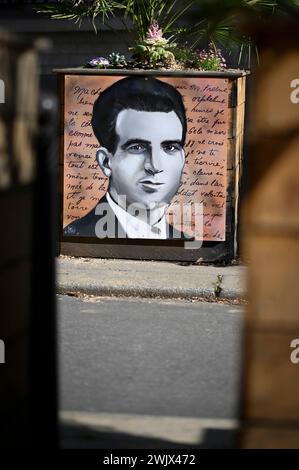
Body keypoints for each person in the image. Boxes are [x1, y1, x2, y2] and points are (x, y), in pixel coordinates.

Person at [64, 75, 191, 239]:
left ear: (182, 158)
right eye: (137, 147)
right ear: (105, 162)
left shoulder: (188, 243)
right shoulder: (78, 237)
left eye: (169, 147)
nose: (154, 166)